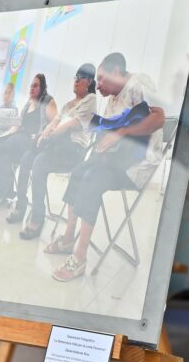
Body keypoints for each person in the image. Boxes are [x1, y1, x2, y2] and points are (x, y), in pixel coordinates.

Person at [46, 52, 165, 282]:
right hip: (117, 160)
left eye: (101, 79)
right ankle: (69, 237)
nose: (96, 85)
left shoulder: (140, 84)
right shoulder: (111, 99)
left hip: (137, 165)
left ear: (117, 73)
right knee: (80, 171)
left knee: (92, 177)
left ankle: (79, 258)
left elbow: (159, 119)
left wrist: (121, 133)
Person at [16, 64, 97, 239]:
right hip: (57, 145)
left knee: (39, 163)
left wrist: (47, 134)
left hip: (74, 151)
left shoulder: (90, 100)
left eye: (80, 77)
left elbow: (71, 124)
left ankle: (37, 217)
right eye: (75, 76)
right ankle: (20, 205)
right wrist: (46, 134)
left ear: (89, 81)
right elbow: (54, 123)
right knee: (26, 158)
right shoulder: (68, 104)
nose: (76, 80)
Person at [0, 73, 56, 214]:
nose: (32, 88)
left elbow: (54, 123)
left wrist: (41, 135)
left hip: (33, 143)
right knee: (2, 151)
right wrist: (2, 136)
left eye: (36, 85)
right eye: (31, 85)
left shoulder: (48, 101)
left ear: (43, 87)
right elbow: (17, 125)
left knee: (4, 148)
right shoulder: (28, 104)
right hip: (19, 140)